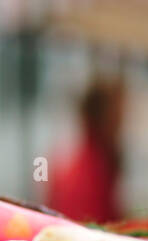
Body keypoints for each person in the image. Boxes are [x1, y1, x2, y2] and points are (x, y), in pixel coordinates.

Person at [44, 78, 124, 223]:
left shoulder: (90, 161)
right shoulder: (91, 170)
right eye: (117, 114)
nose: (121, 123)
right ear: (100, 117)